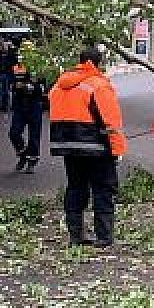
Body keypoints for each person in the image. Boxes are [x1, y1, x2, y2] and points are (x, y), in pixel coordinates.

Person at [49, 47, 126, 247]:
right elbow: (111, 122)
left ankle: (76, 235)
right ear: (96, 64)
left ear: (80, 61)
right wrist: (117, 151)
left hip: (67, 146)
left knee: (76, 188)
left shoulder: (59, 85)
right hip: (96, 148)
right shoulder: (98, 85)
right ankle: (104, 237)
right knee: (103, 189)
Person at [9, 60, 47, 173]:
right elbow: (12, 85)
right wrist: (18, 87)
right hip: (20, 106)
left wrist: (31, 87)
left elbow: (42, 89)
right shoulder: (17, 66)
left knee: (34, 136)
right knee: (14, 133)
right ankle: (23, 154)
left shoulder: (40, 67)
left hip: (35, 106)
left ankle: (32, 162)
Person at [0, 41, 17, 112]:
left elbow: (13, 64)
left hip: (8, 74)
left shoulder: (11, 55)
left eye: (6, 46)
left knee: (7, 91)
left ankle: (6, 106)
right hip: (0, 74)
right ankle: (0, 106)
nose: (4, 47)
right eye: (3, 46)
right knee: (0, 90)